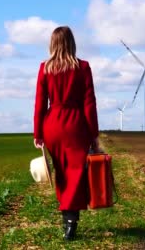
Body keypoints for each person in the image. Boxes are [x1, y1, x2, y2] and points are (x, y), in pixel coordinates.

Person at [33, 26, 100, 241]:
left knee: (62, 174)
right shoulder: (83, 67)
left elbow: (40, 104)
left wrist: (38, 133)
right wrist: (94, 134)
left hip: (52, 125)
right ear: (72, 43)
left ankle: (66, 218)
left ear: (53, 44)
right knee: (75, 175)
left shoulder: (45, 68)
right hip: (76, 125)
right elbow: (89, 103)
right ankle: (71, 221)